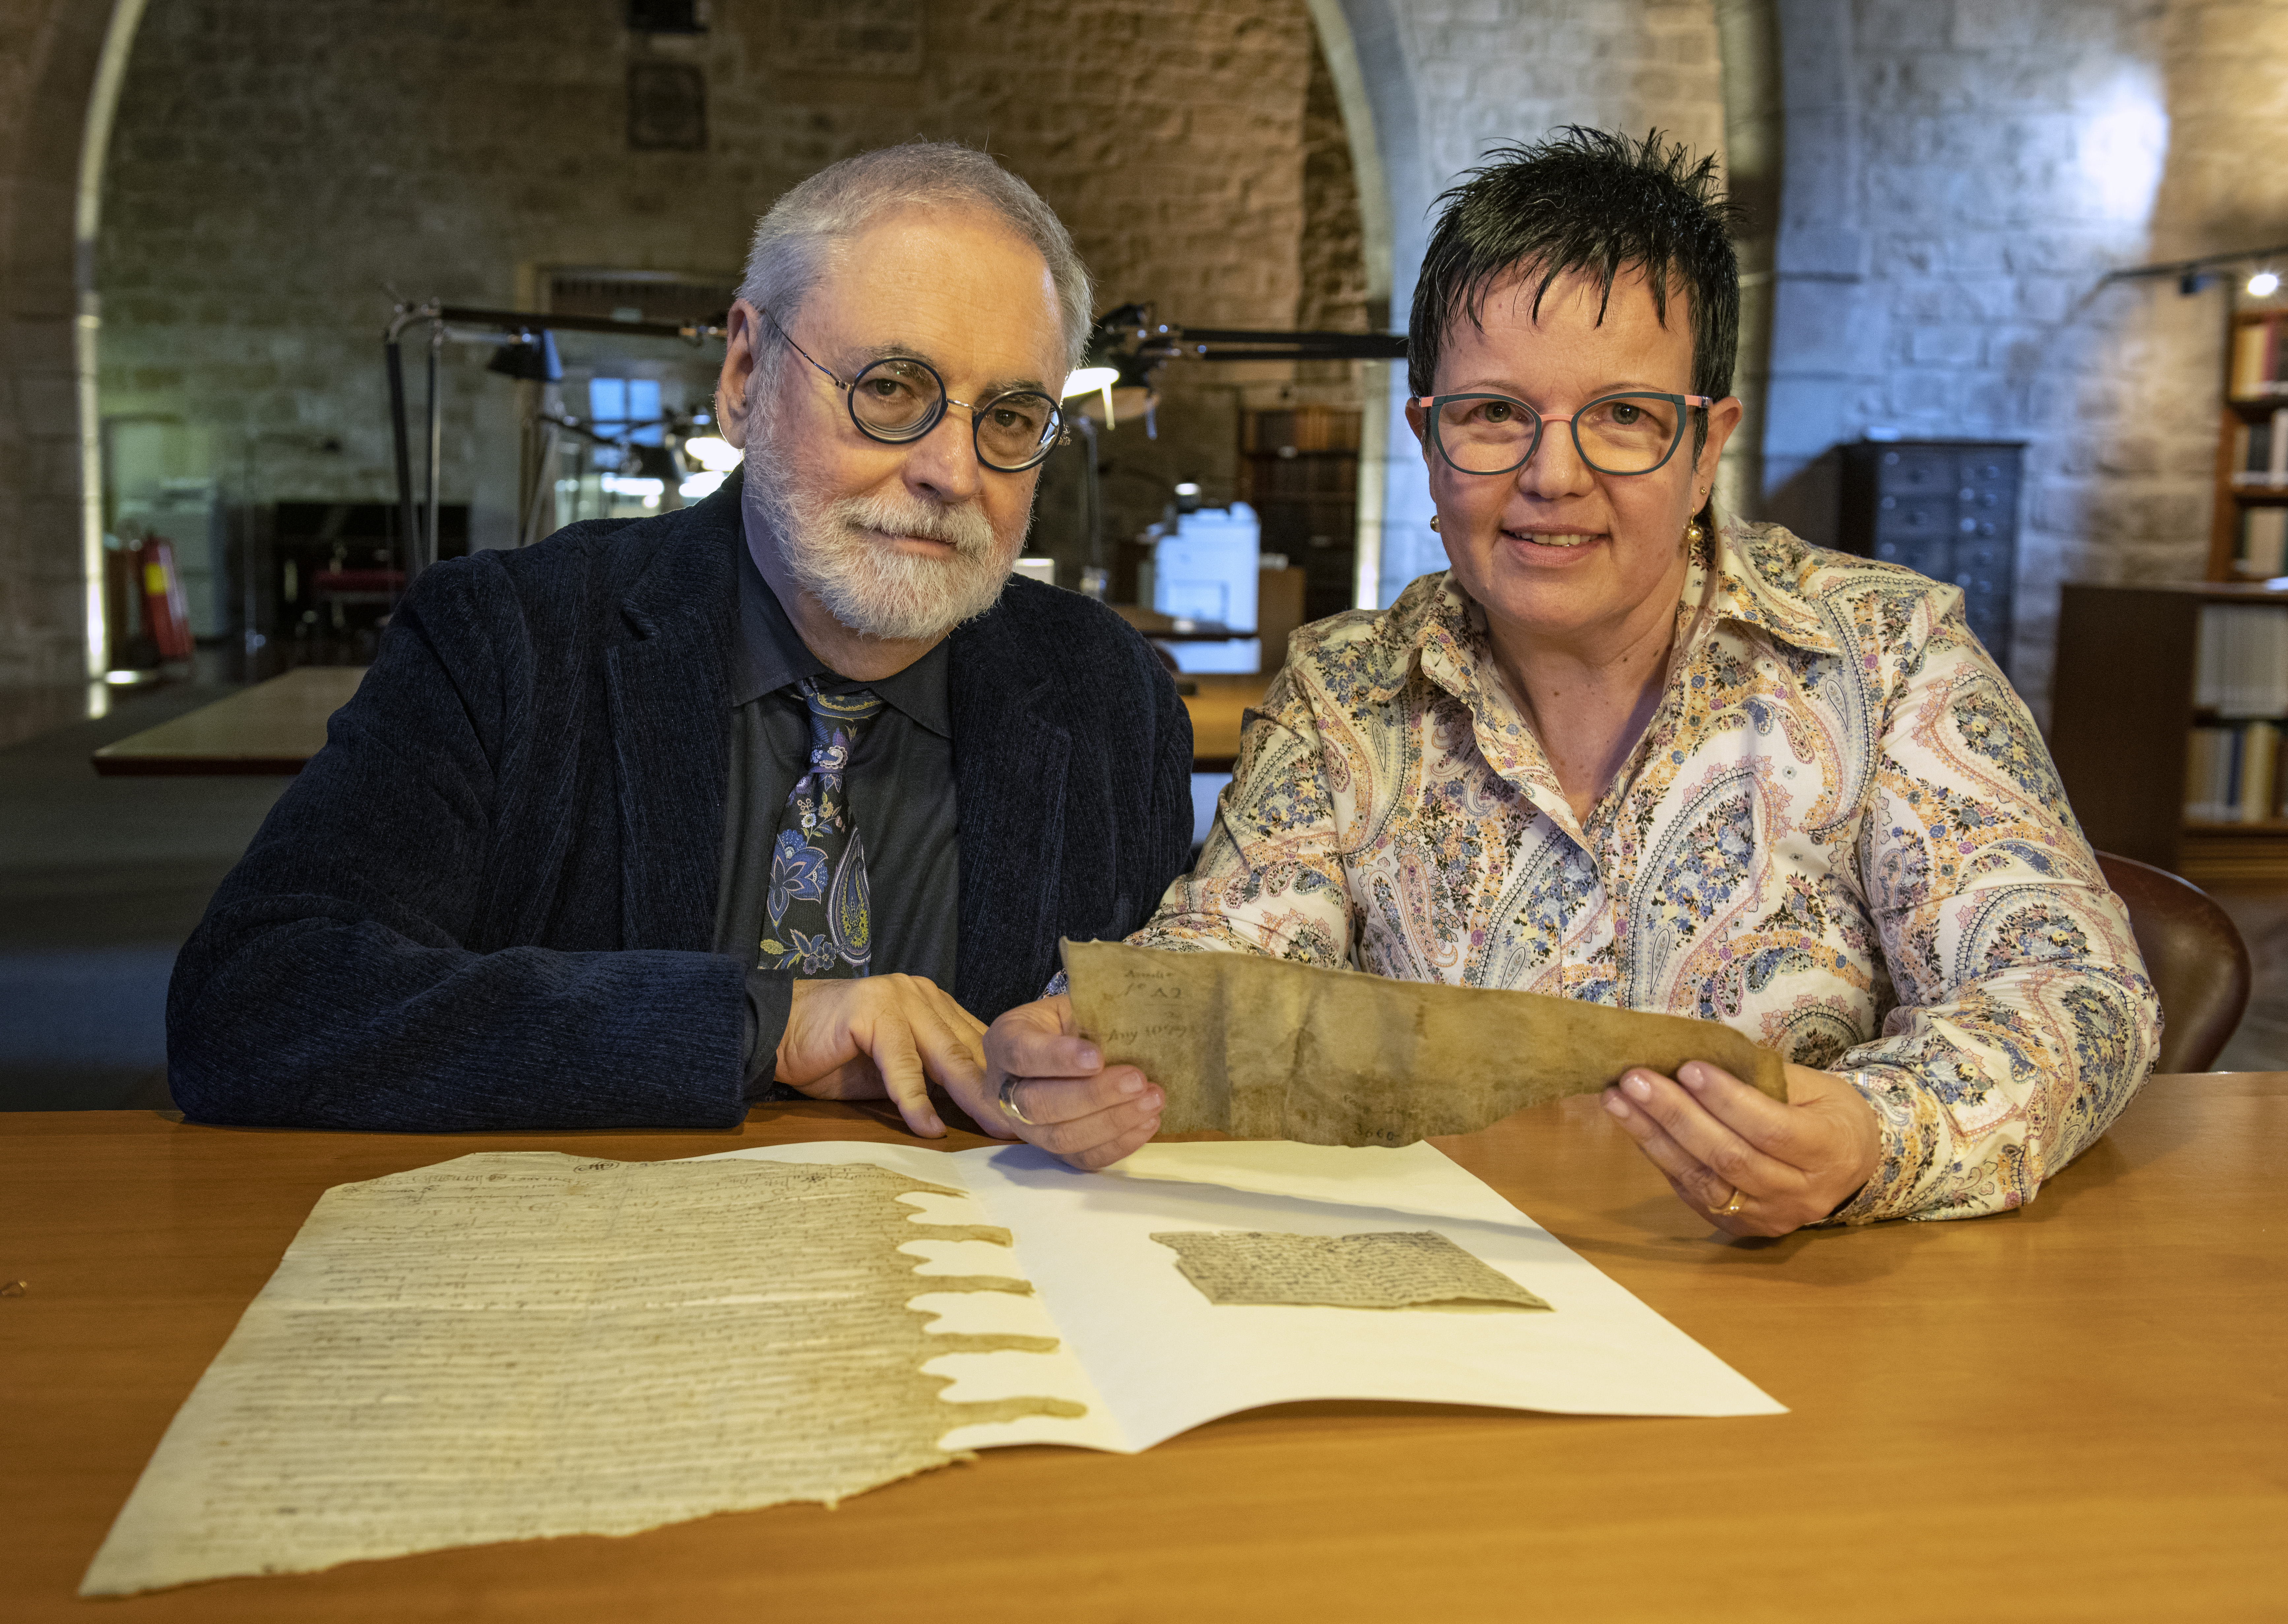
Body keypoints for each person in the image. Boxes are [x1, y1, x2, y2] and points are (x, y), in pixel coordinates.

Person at [983, 128, 2161, 1230]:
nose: (1554, 473)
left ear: (1707, 447)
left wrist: (1871, 1133)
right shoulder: (1347, 692)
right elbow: (1224, 975)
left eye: (1625, 417)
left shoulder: (1887, 656)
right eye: (1495, 414)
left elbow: (2077, 989)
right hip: (1444, 1298)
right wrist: (1104, 1052)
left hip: (1801, 1321)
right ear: (1430, 441)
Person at [167, 142, 1194, 1135]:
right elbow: (256, 997)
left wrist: (1102, 1080)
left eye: (1011, 418)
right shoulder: (510, 640)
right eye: (890, 388)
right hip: (586, 1277)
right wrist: (762, 1024)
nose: (951, 471)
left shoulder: (1111, 694)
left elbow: (1163, 1044)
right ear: (746, 375)